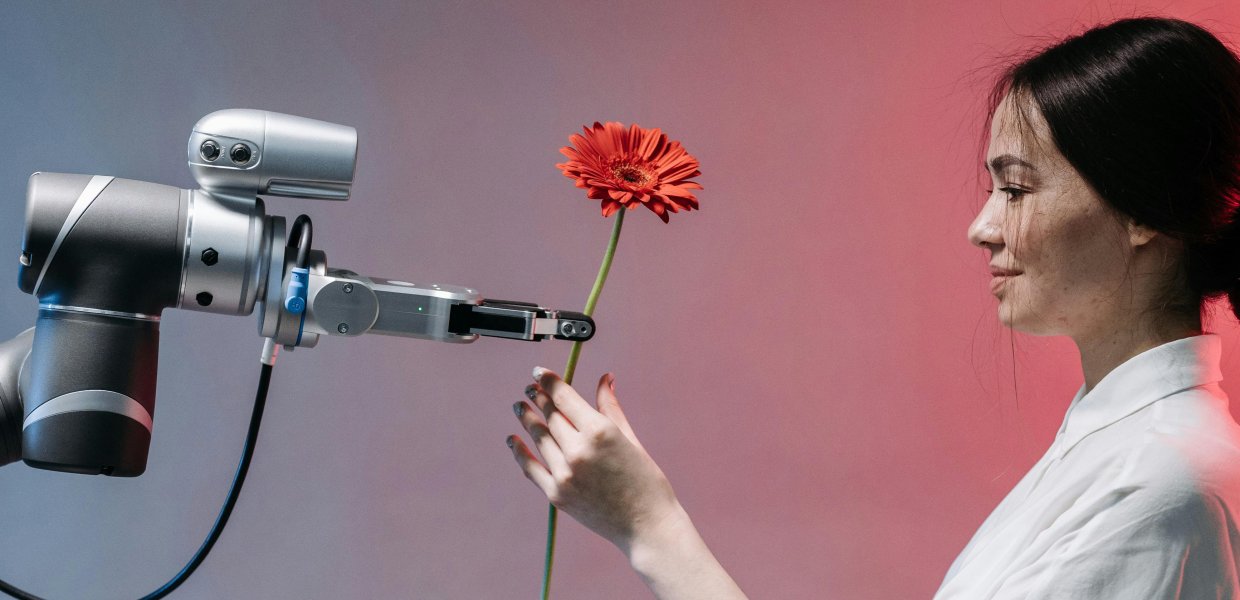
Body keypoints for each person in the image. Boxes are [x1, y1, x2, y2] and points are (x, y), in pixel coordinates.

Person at [505, 16, 1240, 599]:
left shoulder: (1159, 483)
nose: (981, 228)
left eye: (1015, 190)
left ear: (1147, 211)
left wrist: (650, 528)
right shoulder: (1121, 447)